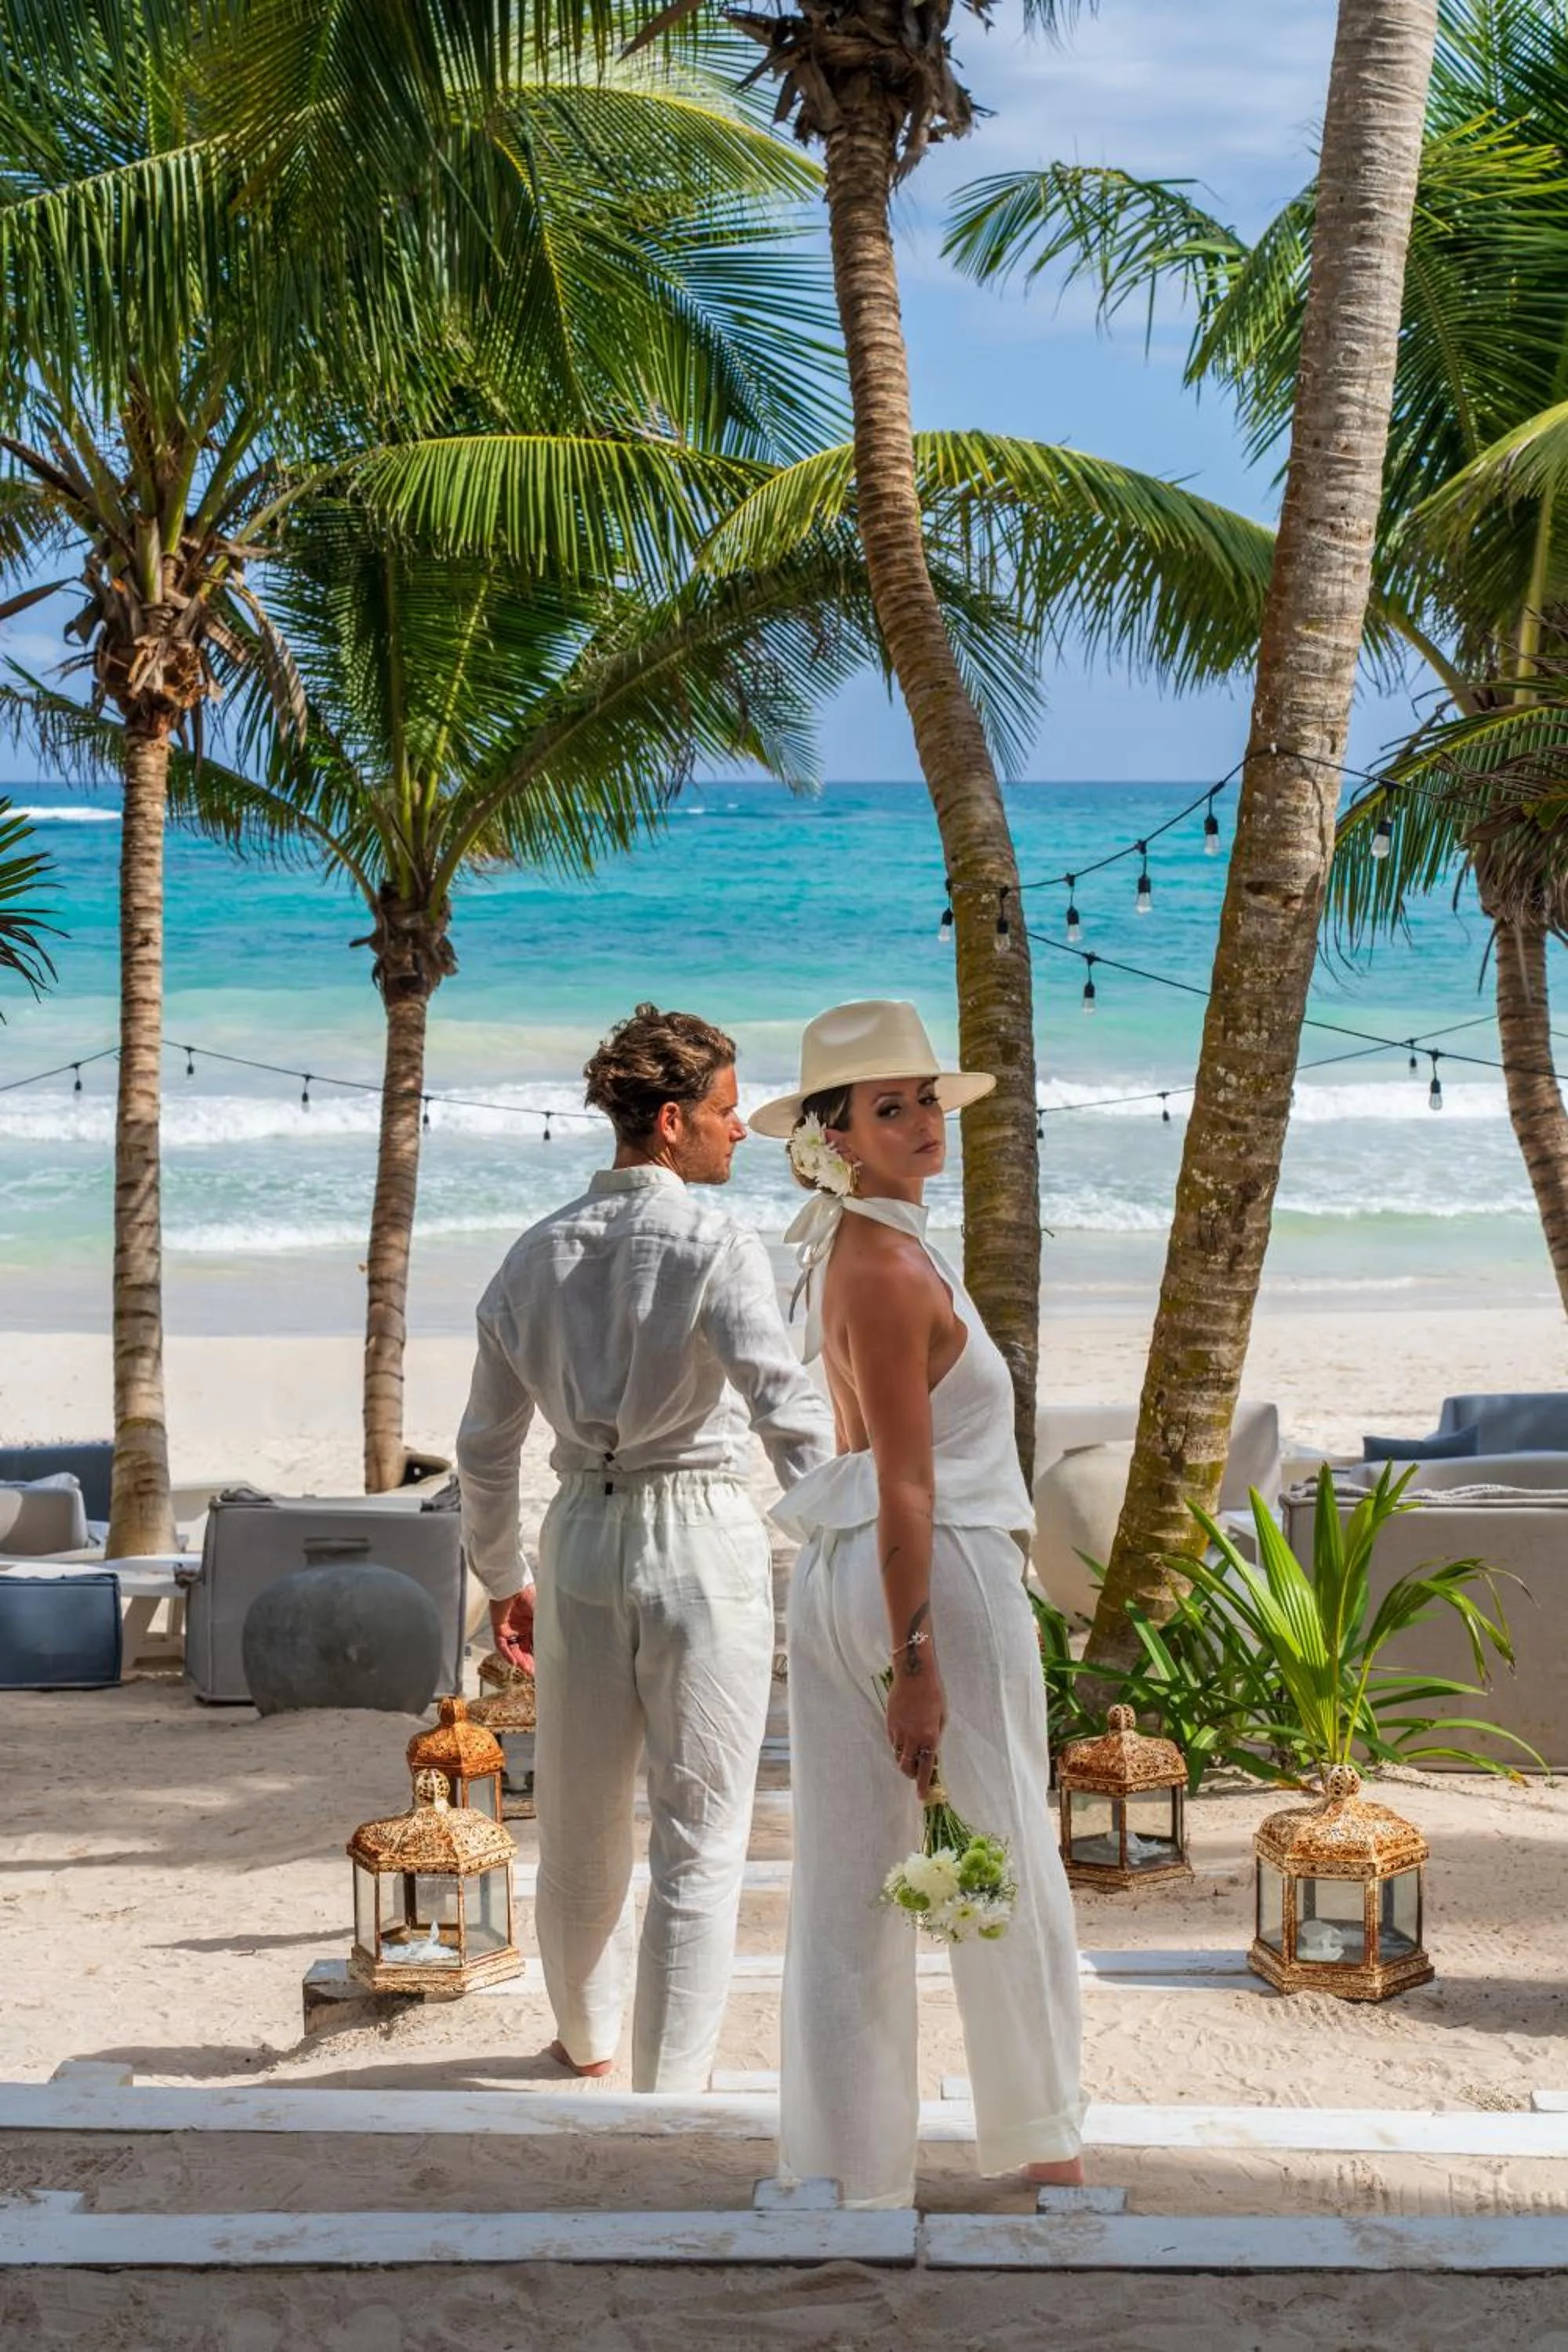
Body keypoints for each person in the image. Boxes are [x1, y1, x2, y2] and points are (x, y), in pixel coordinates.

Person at [456, 1004, 833, 2092]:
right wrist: (846, 1550)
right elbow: (788, 1418)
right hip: (699, 1536)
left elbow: (485, 1449)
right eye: (724, 1113)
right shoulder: (716, 1242)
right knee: (700, 1832)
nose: (741, 1133)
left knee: (576, 1821)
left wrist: (502, 1579)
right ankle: (671, 2088)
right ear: (670, 1122)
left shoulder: (533, 1255)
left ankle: (587, 2043)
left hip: (575, 1539)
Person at [752, 1000, 1083, 2209]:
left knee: (852, 1881)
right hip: (926, 1575)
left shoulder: (859, 1247)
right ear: (832, 1138)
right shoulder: (886, 1265)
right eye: (888, 1109)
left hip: (851, 1573)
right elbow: (904, 1484)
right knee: (1006, 1861)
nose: (923, 1121)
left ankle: (845, 2164)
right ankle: (1049, 2144)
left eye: (927, 1099)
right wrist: (918, 1660)